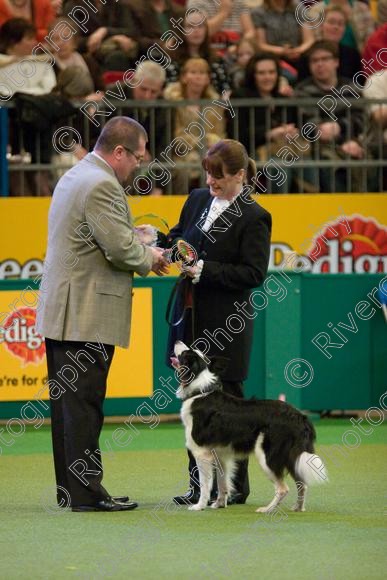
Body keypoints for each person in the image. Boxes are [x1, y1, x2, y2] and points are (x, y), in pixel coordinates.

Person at [36, 116, 169, 512]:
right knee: (85, 405)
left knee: (68, 408)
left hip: (66, 310)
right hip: (85, 312)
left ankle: (72, 489)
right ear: (119, 152)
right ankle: (88, 493)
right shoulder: (103, 185)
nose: (140, 165)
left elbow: (103, 237)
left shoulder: (78, 174)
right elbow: (119, 250)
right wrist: (152, 256)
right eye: (138, 157)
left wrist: (134, 238)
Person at [166, 139, 272, 505]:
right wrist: (168, 246)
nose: (211, 182)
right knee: (196, 406)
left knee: (229, 409)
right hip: (191, 318)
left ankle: (236, 489)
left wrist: (205, 270)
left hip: (227, 326)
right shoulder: (196, 199)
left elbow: (254, 273)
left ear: (240, 175)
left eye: (219, 177)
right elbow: (179, 236)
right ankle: (200, 488)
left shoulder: (254, 215)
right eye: (208, 175)